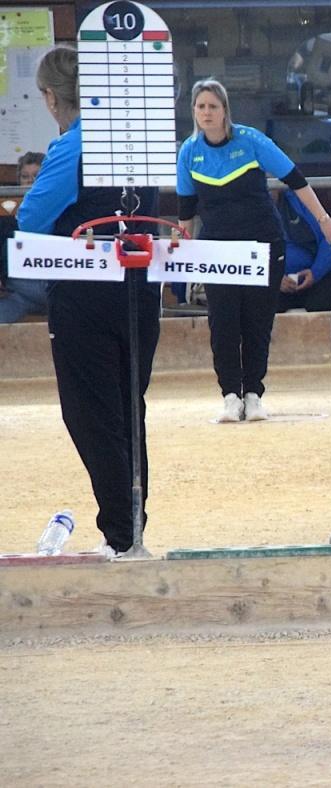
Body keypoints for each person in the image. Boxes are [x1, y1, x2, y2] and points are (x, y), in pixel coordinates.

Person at [17, 45, 160, 555]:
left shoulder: (70, 147)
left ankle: (122, 534)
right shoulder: (134, 140)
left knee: (91, 414)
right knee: (128, 410)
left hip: (83, 296)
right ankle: (131, 527)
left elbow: (30, 221)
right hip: (141, 293)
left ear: (52, 97)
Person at [176, 79, 331, 423]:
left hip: (262, 244)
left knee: (256, 321)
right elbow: (186, 212)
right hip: (218, 251)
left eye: (213, 106)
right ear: (194, 112)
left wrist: (324, 219)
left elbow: (296, 180)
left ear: (225, 111)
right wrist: (184, 252)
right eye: (200, 107)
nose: (207, 113)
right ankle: (230, 396)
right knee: (222, 323)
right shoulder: (189, 152)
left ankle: (253, 393)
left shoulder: (251, 141)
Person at [276, 190, 331, 313]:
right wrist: (274, 278)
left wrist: (315, 273)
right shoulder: (252, 208)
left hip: (315, 278)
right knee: (258, 295)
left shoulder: (301, 200)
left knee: (327, 289)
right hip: (274, 282)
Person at [0, 152, 49, 321]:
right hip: (19, 290)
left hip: (54, 285)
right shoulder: (5, 215)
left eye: (36, 176)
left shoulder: (57, 207)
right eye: (25, 176)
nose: (30, 181)